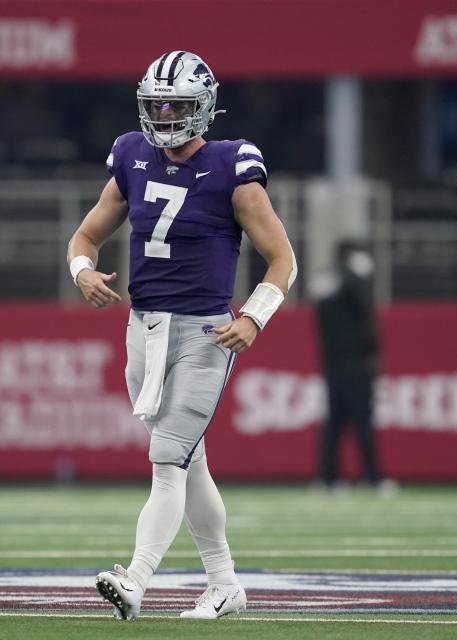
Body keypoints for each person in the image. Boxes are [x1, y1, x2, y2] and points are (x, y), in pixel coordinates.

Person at [67, 50, 297, 620]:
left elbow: (283, 259)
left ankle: (136, 578)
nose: (166, 116)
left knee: (168, 459)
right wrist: (83, 272)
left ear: (205, 107)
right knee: (189, 463)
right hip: (142, 331)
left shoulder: (232, 168)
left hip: (204, 334)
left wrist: (253, 316)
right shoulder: (130, 156)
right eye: (158, 104)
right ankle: (224, 583)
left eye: (179, 105)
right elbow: (85, 236)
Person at [314, 240, 392, 493]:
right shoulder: (353, 281)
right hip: (356, 361)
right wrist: (373, 351)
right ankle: (374, 477)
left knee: (334, 423)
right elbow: (366, 318)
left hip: (333, 361)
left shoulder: (324, 281)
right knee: (361, 420)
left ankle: (329, 478)